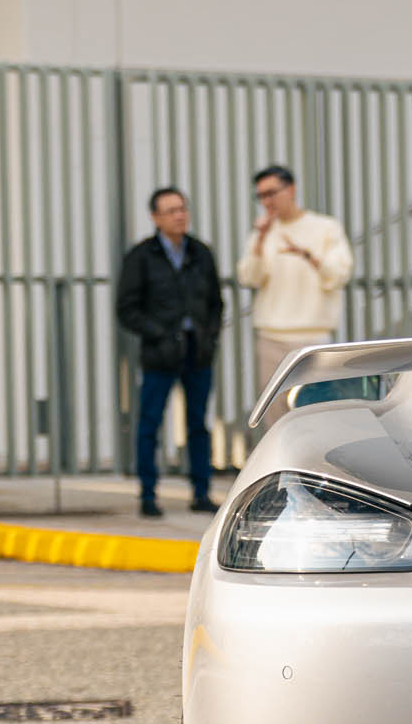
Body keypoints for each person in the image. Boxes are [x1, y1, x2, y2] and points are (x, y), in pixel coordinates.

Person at [116, 187, 223, 520]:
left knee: (198, 424)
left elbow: (216, 302)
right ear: (155, 217)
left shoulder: (200, 253)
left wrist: (209, 336)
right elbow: (126, 309)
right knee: (150, 423)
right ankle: (148, 494)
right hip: (159, 353)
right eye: (171, 210)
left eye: (182, 209)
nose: (179, 215)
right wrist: (159, 334)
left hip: (197, 352)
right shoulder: (141, 256)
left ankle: (201, 492)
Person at [236, 165, 354, 398]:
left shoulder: (326, 227)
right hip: (271, 335)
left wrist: (308, 256)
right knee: (274, 408)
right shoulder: (263, 232)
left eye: (271, 193)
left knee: (316, 404)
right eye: (261, 196)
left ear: (291, 189)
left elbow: (339, 275)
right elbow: (249, 277)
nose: (267, 201)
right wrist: (260, 239)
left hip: (313, 335)